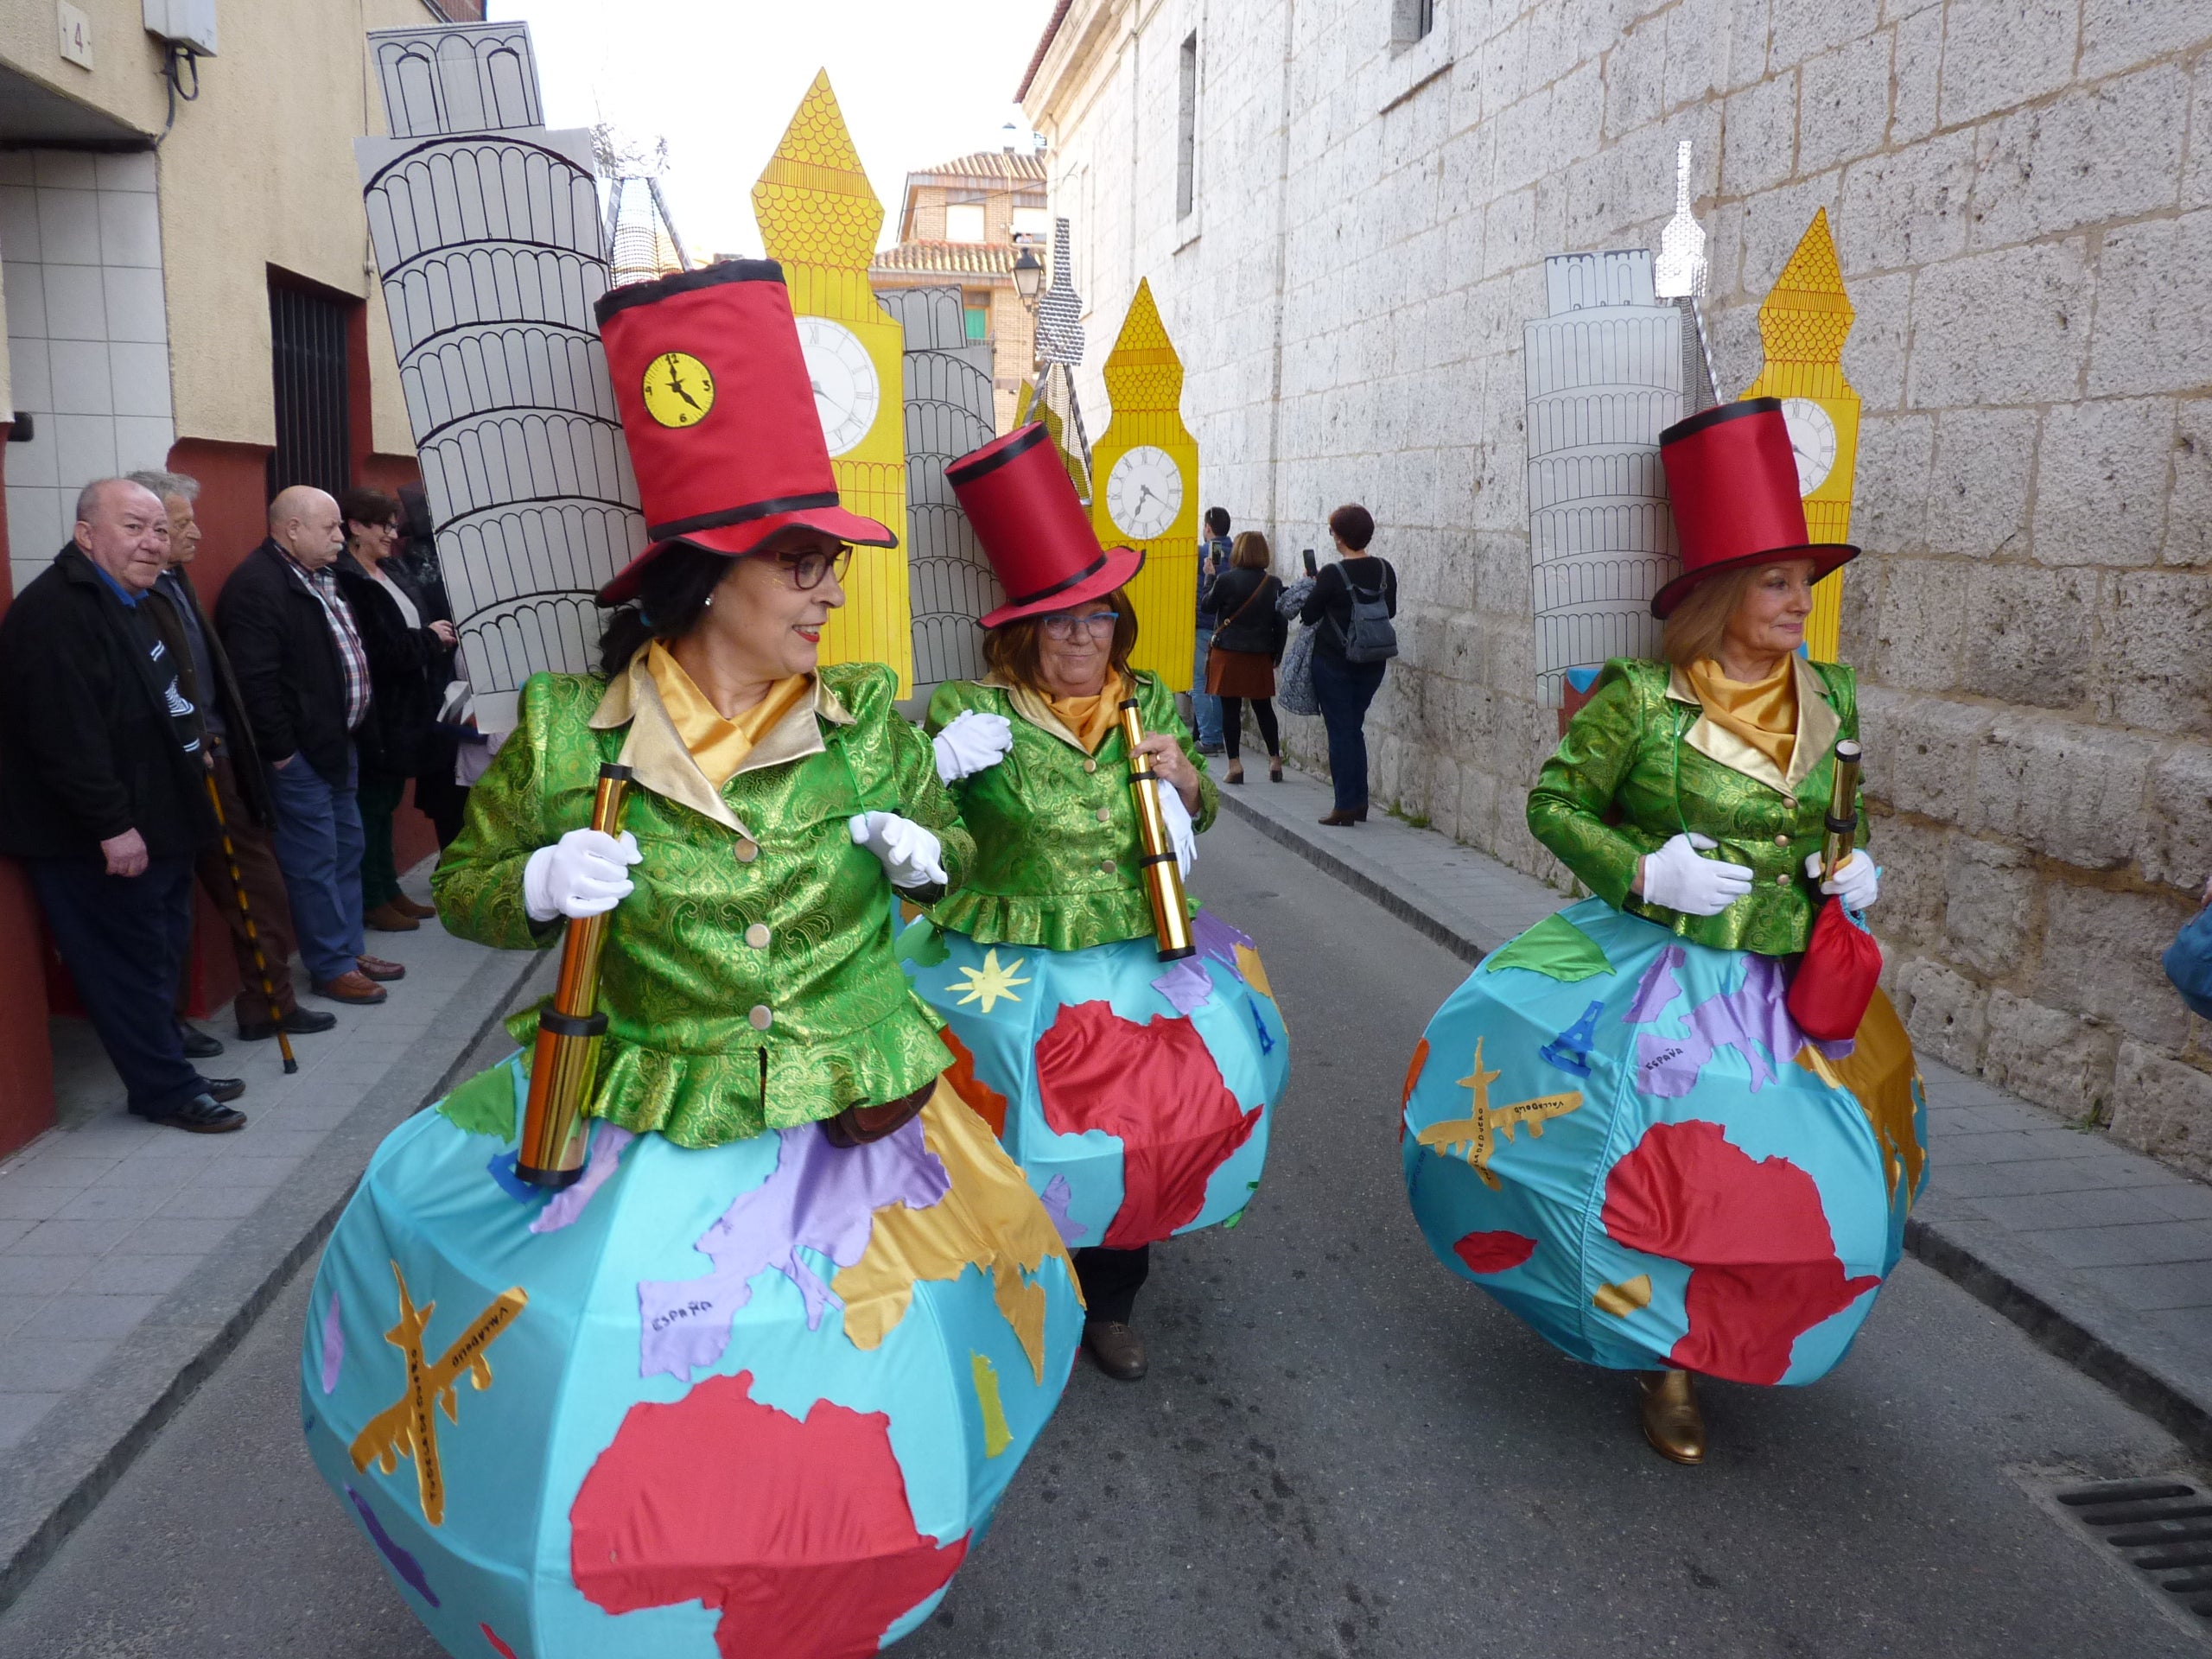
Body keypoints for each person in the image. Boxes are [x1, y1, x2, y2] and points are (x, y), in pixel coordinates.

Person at [301, 260, 1081, 1652]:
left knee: (857, 1404)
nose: (829, 589)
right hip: (646, 1119)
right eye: (802, 561)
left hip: (856, 1126)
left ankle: (811, 1605)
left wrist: (931, 852)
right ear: (704, 576)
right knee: (646, 1417)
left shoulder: (867, 721)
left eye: (835, 562)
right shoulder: (569, 730)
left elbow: (958, 853)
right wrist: (533, 881)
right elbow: (471, 887)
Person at [1399, 400, 1923, 1466]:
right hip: (1666, 982)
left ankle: (1740, 1321)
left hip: (1790, 986)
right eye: (1775, 580)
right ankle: (1667, 1355)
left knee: (1811, 1178)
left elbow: (1842, 818)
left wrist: (1856, 867)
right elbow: (1553, 807)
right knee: (1665, 1171)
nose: (1797, 601)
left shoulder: (1831, 696)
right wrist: (1646, 871)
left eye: (1803, 581)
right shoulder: (1639, 701)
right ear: (1721, 594)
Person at [909, 423, 1289, 1383]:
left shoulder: (1151, 700)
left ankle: (1111, 1300)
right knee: (1000, 1129)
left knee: (1135, 1136)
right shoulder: (969, 711)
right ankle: (1000, 1287)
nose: (1078, 639)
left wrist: (1186, 785)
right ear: (1019, 631)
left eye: (1095, 620)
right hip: (1004, 961)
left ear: (1117, 625)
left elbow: (1206, 804)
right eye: (1056, 622)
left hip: (1135, 954)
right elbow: (911, 832)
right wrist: (929, 774)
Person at [0, 479, 246, 1132]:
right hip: (98, 837)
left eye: (159, 530)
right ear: (87, 535)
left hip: (162, 819)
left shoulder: (137, 599)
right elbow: (64, 738)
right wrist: (112, 825)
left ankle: (170, 1067)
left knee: (160, 950)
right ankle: (164, 1090)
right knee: (126, 967)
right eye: (133, 528)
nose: (152, 542)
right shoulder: (58, 611)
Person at [130, 470, 337, 1047]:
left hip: (220, 757)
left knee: (258, 886)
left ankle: (268, 1003)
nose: (196, 532)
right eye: (182, 524)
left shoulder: (177, 582)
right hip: (184, 766)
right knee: (172, 906)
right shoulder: (135, 596)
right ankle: (168, 1029)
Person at [218, 486, 405, 1007]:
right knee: (314, 860)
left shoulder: (321, 577)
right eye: (330, 528)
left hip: (337, 745)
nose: (340, 536)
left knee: (348, 848)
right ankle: (330, 965)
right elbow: (255, 683)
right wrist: (283, 754)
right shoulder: (258, 586)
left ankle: (347, 950)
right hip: (299, 756)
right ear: (292, 528)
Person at [334, 486, 455, 933]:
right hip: (377, 714)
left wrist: (430, 639)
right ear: (356, 528)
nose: (391, 533)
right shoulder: (350, 579)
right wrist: (429, 639)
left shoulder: (389, 568)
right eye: (382, 525)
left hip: (406, 712)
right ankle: (373, 897)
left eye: (392, 524)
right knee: (371, 805)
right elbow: (378, 650)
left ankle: (389, 891)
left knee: (385, 804)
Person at [1300, 503, 1397, 826]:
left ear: (1339, 537)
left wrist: (1315, 588)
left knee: (1341, 731)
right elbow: (1390, 611)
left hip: (1335, 662)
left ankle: (1345, 805)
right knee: (1353, 727)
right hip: (1373, 661)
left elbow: (1308, 615)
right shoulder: (1385, 569)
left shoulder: (1331, 573)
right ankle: (1360, 802)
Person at [1199, 530, 1287, 785]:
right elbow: (1280, 622)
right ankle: (1275, 760)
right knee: (1263, 707)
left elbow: (1207, 605)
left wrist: (1209, 577)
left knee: (1230, 708)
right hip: (1259, 653)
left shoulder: (1225, 580)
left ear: (1237, 551)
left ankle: (1235, 765)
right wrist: (1276, 653)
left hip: (1229, 653)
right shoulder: (1273, 583)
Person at [1190, 506, 1231, 753]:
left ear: (1207, 527)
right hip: (1230, 628)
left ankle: (1210, 737)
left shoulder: (1205, 553)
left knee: (1201, 683)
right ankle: (1215, 734)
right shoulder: (1240, 551)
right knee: (1218, 684)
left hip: (1206, 624)